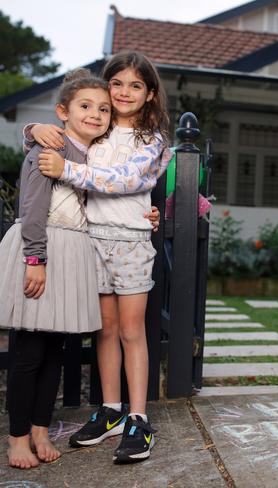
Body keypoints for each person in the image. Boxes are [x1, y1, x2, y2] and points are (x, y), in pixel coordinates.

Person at [26, 51, 172, 462]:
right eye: (118, 83)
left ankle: (138, 419)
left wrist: (67, 171)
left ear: (149, 94)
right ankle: (110, 410)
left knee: (130, 331)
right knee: (104, 331)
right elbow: (60, 134)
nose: (125, 92)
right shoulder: (98, 130)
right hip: (90, 241)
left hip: (129, 242)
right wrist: (32, 128)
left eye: (136, 85)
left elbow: (127, 180)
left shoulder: (154, 141)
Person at [0, 69, 111, 469]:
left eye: (103, 109)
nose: (95, 114)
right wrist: (35, 260)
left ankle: (41, 429)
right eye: (85, 106)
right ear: (63, 111)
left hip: (73, 256)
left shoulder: (96, 156)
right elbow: (31, 207)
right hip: (41, 250)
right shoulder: (48, 146)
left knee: (55, 354)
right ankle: (16, 438)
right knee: (28, 354)